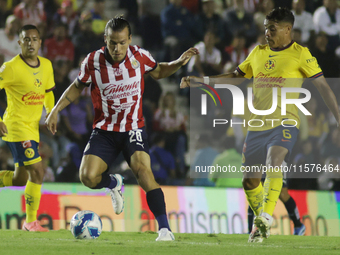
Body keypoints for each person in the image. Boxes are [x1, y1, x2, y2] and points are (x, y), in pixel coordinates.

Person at [181, 7, 340, 243]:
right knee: (249, 181)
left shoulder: (301, 54)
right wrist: (203, 81)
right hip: (256, 126)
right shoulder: (258, 53)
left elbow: (324, 88)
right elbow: (236, 76)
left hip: (285, 122)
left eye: (272, 28)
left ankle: (265, 218)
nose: (267, 33)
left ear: (288, 30)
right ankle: (260, 226)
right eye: (266, 28)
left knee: (274, 161)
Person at [46, 16, 198, 241]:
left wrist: (177, 63)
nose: (117, 48)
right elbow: (77, 86)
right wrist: (56, 109)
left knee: (143, 171)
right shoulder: (92, 61)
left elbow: (158, 71)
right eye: (112, 43)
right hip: (104, 130)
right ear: (104, 39)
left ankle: (165, 229)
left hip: (133, 127)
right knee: (87, 177)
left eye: (122, 42)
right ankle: (114, 182)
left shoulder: (139, 56)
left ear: (129, 39)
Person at [0, 24, 55, 232]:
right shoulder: (11, 67)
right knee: (38, 171)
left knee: (19, 179)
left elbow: (48, 92)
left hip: (32, 127)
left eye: (34, 39)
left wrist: (51, 111)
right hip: (15, 126)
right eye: (26, 39)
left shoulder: (47, 65)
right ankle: (30, 222)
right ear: (19, 42)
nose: (31, 43)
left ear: (40, 42)